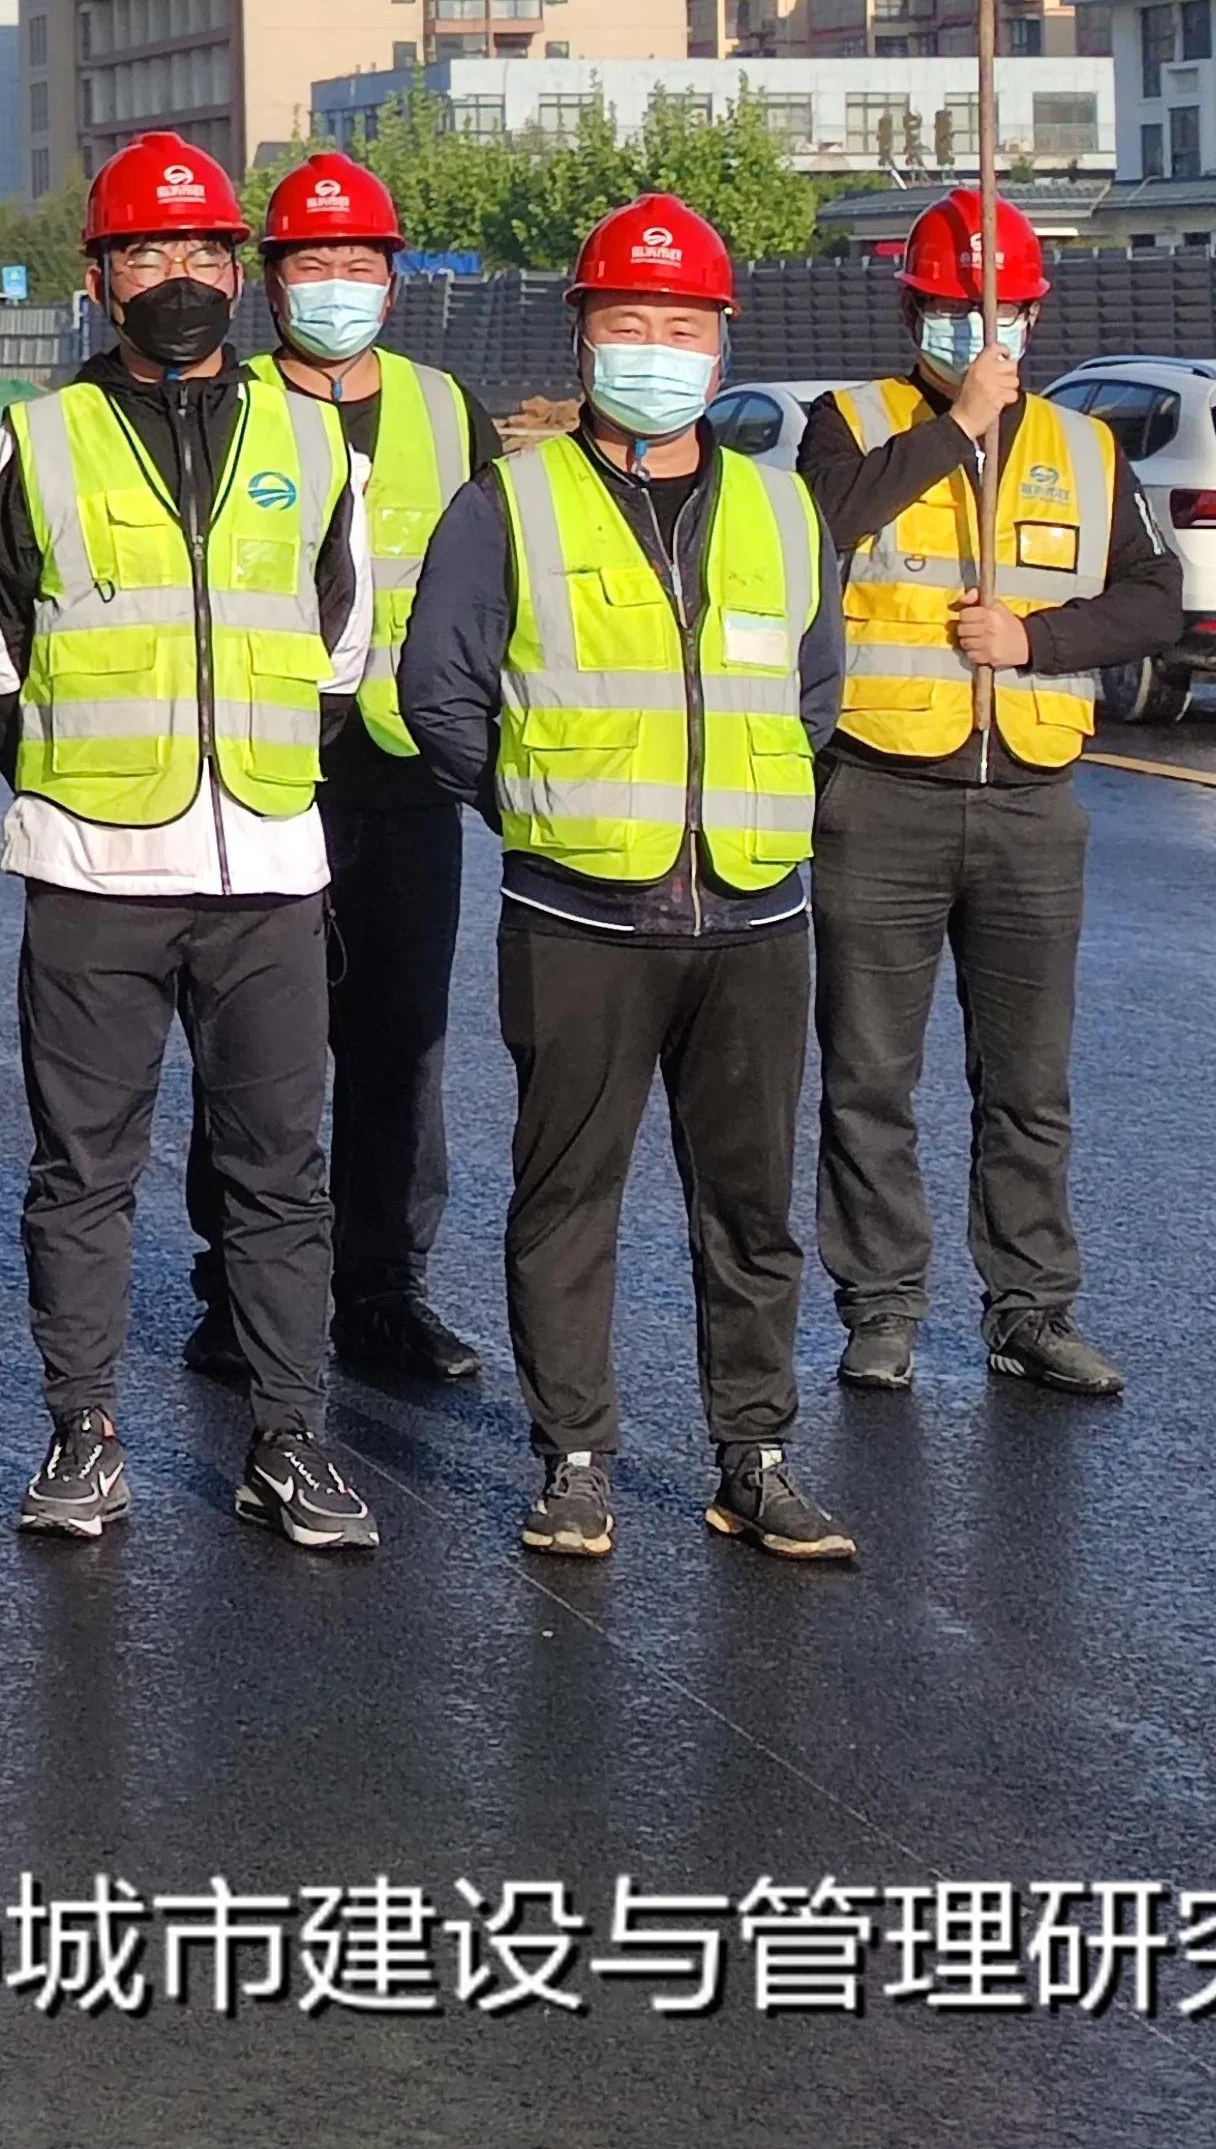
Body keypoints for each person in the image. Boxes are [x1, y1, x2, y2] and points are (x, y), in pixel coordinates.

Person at [393, 192, 855, 1563]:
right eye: (628, 322)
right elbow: (442, 694)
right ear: (583, 336)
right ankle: (575, 1458)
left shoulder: (780, 507)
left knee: (752, 1207)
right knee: (568, 1198)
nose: (655, 348)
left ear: (720, 347)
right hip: (580, 912)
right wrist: (537, 810)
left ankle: (754, 1457)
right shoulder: (509, 501)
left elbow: (813, 703)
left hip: (756, 915)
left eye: (683, 326)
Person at [0, 132, 381, 1555]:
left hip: (267, 867)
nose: (182, 276)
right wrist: (90, 787)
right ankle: (82, 1434)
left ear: (241, 275)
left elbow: (339, 650)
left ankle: (289, 1440)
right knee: (84, 1172)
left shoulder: (314, 443)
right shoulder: (37, 440)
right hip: (94, 871)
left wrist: (251, 781)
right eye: (150, 251)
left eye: (207, 251)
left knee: (280, 1173)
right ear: (97, 278)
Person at [806, 187, 1161, 1403]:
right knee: (867, 1077)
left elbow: (1152, 605)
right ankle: (880, 1309)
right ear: (914, 309)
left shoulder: (1083, 446)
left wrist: (1040, 641)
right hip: (879, 792)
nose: (980, 331)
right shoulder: (846, 425)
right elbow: (816, 539)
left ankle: (1029, 1307)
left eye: (998, 313)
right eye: (955, 311)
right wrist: (953, 430)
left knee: (1025, 1082)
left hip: (1030, 800)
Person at [156, 152, 491, 1391]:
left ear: (391, 284)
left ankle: (382, 1293)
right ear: (268, 280)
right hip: (260, 777)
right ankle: (234, 1290)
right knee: (246, 1048)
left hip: (403, 782)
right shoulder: (223, 404)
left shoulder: (447, 409)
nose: (335, 286)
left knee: (399, 1044)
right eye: (311, 264)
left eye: (357, 265)